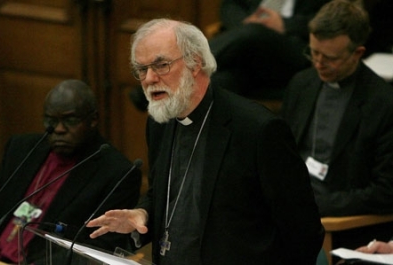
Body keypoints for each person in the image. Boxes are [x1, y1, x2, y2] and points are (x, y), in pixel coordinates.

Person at [86, 18, 324, 265]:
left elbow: (303, 232)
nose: (149, 79)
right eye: (141, 70)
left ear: (195, 62)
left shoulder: (258, 130)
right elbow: (165, 194)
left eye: (161, 65)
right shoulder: (160, 122)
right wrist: (143, 213)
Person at [282, 0, 393, 252]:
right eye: (314, 53)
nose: (319, 63)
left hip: (340, 220)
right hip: (290, 205)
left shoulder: (383, 103)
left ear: (358, 53)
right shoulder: (302, 84)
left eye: (330, 58)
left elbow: (386, 191)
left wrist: (321, 204)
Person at [0, 79, 142, 264]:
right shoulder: (21, 148)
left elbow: (98, 249)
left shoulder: (116, 173)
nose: (59, 129)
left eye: (70, 121)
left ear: (93, 120)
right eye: (51, 120)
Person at [208, 0, 330, 98]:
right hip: (247, 52)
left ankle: (193, 60)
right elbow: (230, 4)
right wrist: (245, 23)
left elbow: (332, 18)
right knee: (215, 83)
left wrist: (285, 24)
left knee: (255, 31)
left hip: (292, 51)